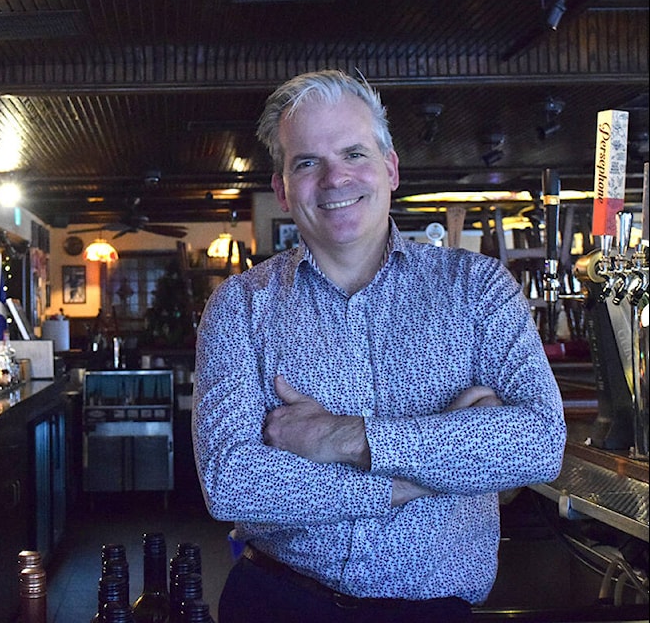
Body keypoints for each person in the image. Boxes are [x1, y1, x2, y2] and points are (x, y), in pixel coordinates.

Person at [191, 69, 566, 623]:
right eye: (306, 162)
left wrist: (341, 438)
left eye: (353, 153)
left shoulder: (479, 289)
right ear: (281, 189)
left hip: (433, 612)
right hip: (277, 602)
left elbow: (538, 443)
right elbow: (232, 486)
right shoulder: (239, 307)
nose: (335, 179)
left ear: (390, 168)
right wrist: (420, 476)